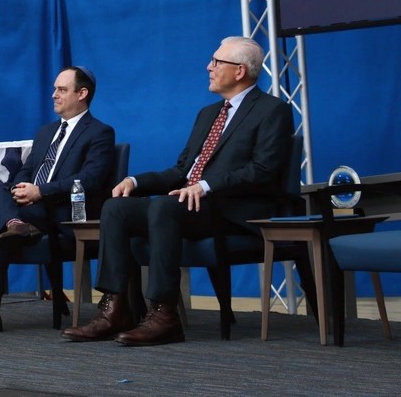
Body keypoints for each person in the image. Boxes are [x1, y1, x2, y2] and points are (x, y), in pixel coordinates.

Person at [62, 36, 293, 346]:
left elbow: (264, 170)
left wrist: (207, 185)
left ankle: (163, 315)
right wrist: (136, 182)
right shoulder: (208, 114)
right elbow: (181, 171)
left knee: (164, 207)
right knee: (116, 207)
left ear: (239, 71)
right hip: (189, 205)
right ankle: (115, 308)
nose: (208, 67)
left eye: (216, 62)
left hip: (233, 210)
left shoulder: (272, 110)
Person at [0, 66, 117, 335]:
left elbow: (90, 179)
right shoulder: (46, 132)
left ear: (82, 93)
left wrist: (41, 192)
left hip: (59, 212)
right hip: (27, 210)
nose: (54, 95)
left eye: (62, 90)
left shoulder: (99, 133)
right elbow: (27, 171)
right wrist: (20, 189)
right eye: (54, 89)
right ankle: (13, 222)